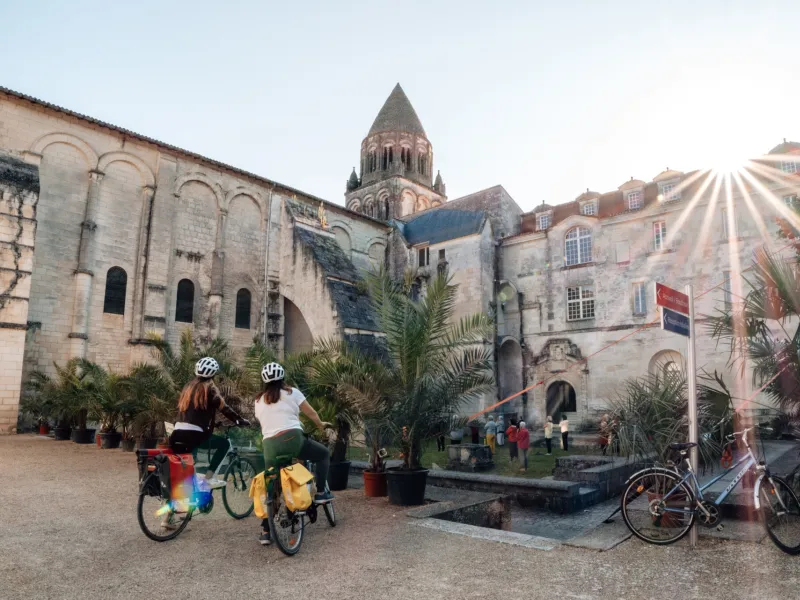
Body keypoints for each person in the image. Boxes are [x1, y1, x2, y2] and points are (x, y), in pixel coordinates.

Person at [254, 362, 333, 546]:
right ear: (283, 378)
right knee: (323, 454)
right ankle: (320, 493)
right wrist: (321, 425)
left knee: (272, 485)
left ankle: (266, 530)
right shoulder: (292, 393)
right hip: (293, 440)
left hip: (270, 446)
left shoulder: (258, 401)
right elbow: (311, 413)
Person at [169, 357, 249, 489]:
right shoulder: (209, 389)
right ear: (213, 375)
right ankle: (209, 478)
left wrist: (213, 423)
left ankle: (190, 491)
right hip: (194, 435)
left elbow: (193, 413)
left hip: (177, 433)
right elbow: (224, 408)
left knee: (189, 461)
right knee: (224, 444)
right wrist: (239, 420)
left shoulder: (187, 388)